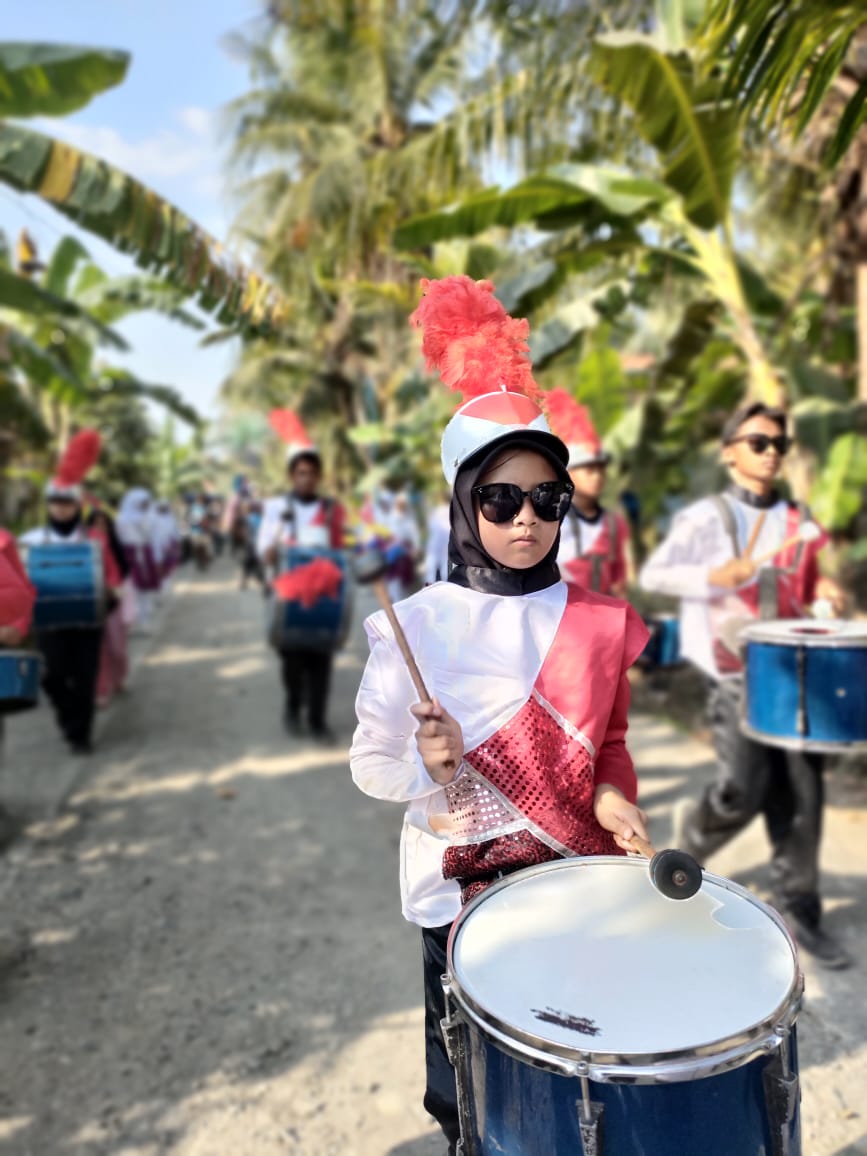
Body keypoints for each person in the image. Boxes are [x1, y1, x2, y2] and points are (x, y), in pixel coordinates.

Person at [350, 276, 650, 1153]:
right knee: (467, 1092)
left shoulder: (599, 620)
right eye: (500, 499)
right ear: (462, 503)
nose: (526, 520)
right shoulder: (413, 628)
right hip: (462, 896)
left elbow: (613, 746)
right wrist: (431, 768)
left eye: (547, 500)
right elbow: (374, 768)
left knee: (584, 1067)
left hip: (580, 885)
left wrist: (612, 799)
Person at [639, 401, 850, 969]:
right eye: (759, 442)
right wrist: (711, 575)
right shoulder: (707, 519)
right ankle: (694, 836)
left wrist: (827, 592)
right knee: (744, 789)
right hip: (734, 675)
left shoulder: (798, 522)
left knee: (804, 795)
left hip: (793, 671)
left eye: (780, 443)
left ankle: (801, 907)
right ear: (730, 450)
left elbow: (815, 580)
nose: (772, 452)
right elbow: (655, 574)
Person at [258, 410, 346, 740]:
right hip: (288, 596)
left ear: (318, 477)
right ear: (293, 476)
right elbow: (265, 547)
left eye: (312, 474)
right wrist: (269, 551)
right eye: (301, 473)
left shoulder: (331, 510)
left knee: (321, 659)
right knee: (292, 661)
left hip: (322, 595)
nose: (306, 479)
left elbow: (341, 551)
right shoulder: (277, 510)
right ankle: (294, 706)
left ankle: (317, 721)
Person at [20, 432, 109, 754]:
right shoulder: (30, 540)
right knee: (52, 677)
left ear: (77, 504)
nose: (61, 509)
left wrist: (114, 591)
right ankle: (69, 718)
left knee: (85, 681)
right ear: (48, 505)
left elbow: (109, 574)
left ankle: (80, 736)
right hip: (47, 622)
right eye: (55, 503)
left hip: (88, 622)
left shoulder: (93, 539)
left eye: (67, 502)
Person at [546, 389, 631, 597]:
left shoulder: (613, 524)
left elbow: (619, 581)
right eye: (589, 470)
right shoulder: (551, 518)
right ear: (568, 473)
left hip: (601, 616)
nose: (597, 476)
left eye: (601, 469)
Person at [86, 507, 132, 707]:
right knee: (99, 649)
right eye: (95, 523)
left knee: (116, 647)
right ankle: (102, 690)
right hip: (90, 602)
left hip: (113, 602)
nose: (99, 527)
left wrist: (112, 586)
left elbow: (119, 571)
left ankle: (119, 676)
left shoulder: (113, 545)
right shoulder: (84, 543)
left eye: (103, 523)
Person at [116, 489, 162, 631]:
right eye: (143, 503)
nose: (146, 505)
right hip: (129, 554)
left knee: (144, 589)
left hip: (143, 552)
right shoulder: (123, 519)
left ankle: (144, 621)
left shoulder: (146, 517)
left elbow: (153, 535)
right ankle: (133, 621)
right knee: (131, 589)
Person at [423, 489, 451, 585]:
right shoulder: (452, 512)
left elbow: (431, 526)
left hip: (435, 544)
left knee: (431, 571)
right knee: (445, 571)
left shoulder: (437, 511)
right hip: (446, 545)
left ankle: (429, 589)